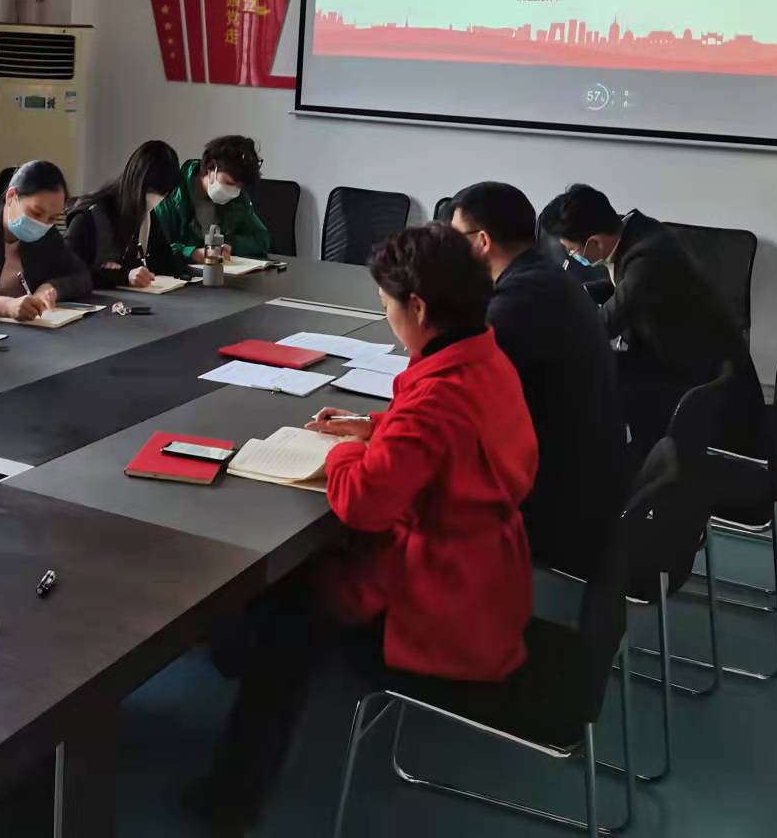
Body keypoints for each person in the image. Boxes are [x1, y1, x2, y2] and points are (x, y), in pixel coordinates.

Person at [194, 224, 537, 835]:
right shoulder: (486, 359)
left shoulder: (436, 397)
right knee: (279, 605)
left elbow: (363, 505)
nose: (387, 318)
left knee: (283, 617)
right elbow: (448, 445)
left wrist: (346, 452)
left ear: (419, 308)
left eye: (387, 306)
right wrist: (377, 429)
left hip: (440, 599)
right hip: (488, 579)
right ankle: (233, 658)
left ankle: (230, 800)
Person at [450, 181, 626, 576]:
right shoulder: (544, 278)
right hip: (592, 484)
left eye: (456, 238)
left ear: (482, 241)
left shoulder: (516, 303)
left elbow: (461, 408)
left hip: (557, 508)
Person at [539, 183, 758, 447]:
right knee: (597, 373)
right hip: (685, 355)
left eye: (572, 251)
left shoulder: (647, 258)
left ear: (594, 241)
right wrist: (580, 293)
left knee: (590, 380)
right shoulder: (639, 230)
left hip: (702, 378)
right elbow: (624, 287)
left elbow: (602, 326)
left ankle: (623, 460)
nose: (571, 257)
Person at [0, 160, 91, 322]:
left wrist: (50, 288)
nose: (42, 224)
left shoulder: (47, 234)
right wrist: (4, 306)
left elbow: (81, 276)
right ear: (11, 197)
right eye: (36, 213)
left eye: (52, 218)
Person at [64, 140, 185, 289]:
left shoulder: (147, 216)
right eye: (152, 191)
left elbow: (165, 263)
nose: (156, 199)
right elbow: (65, 269)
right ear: (136, 181)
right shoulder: (91, 216)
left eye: (163, 194)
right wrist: (122, 276)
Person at [154, 134, 271, 266]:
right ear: (211, 168)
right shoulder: (171, 191)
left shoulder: (237, 199)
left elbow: (261, 239)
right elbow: (155, 248)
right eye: (229, 183)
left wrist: (228, 245)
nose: (234, 192)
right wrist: (192, 253)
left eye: (239, 187)